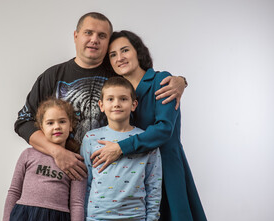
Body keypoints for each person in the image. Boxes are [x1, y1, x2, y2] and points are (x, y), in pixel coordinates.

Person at [14, 12, 187, 180]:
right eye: (88, 33)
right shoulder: (53, 76)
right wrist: (56, 151)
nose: (94, 39)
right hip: (64, 175)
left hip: (116, 176)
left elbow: (146, 85)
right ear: (76, 36)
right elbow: (23, 121)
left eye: (102, 36)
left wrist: (180, 81)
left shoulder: (120, 74)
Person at [90, 30, 213, 221]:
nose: (120, 58)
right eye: (113, 54)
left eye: (125, 50)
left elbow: (164, 129)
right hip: (134, 176)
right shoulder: (118, 92)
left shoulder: (162, 80)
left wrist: (120, 148)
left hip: (166, 168)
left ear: (138, 52)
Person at [81, 76, 162, 221]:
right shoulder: (91, 138)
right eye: (110, 99)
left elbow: (154, 186)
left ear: (134, 104)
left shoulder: (145, 140)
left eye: (123, 99)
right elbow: (85, 182)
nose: (116, 103)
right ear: (101, 105)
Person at [1, 98, 86, 221]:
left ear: (71, 125)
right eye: (50, 123)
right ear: (41, 127)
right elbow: (14, 191)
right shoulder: (28, 154)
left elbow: (77, 204)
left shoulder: (75, 162)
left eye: (62, 121)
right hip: (24, 218)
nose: (57, 126)